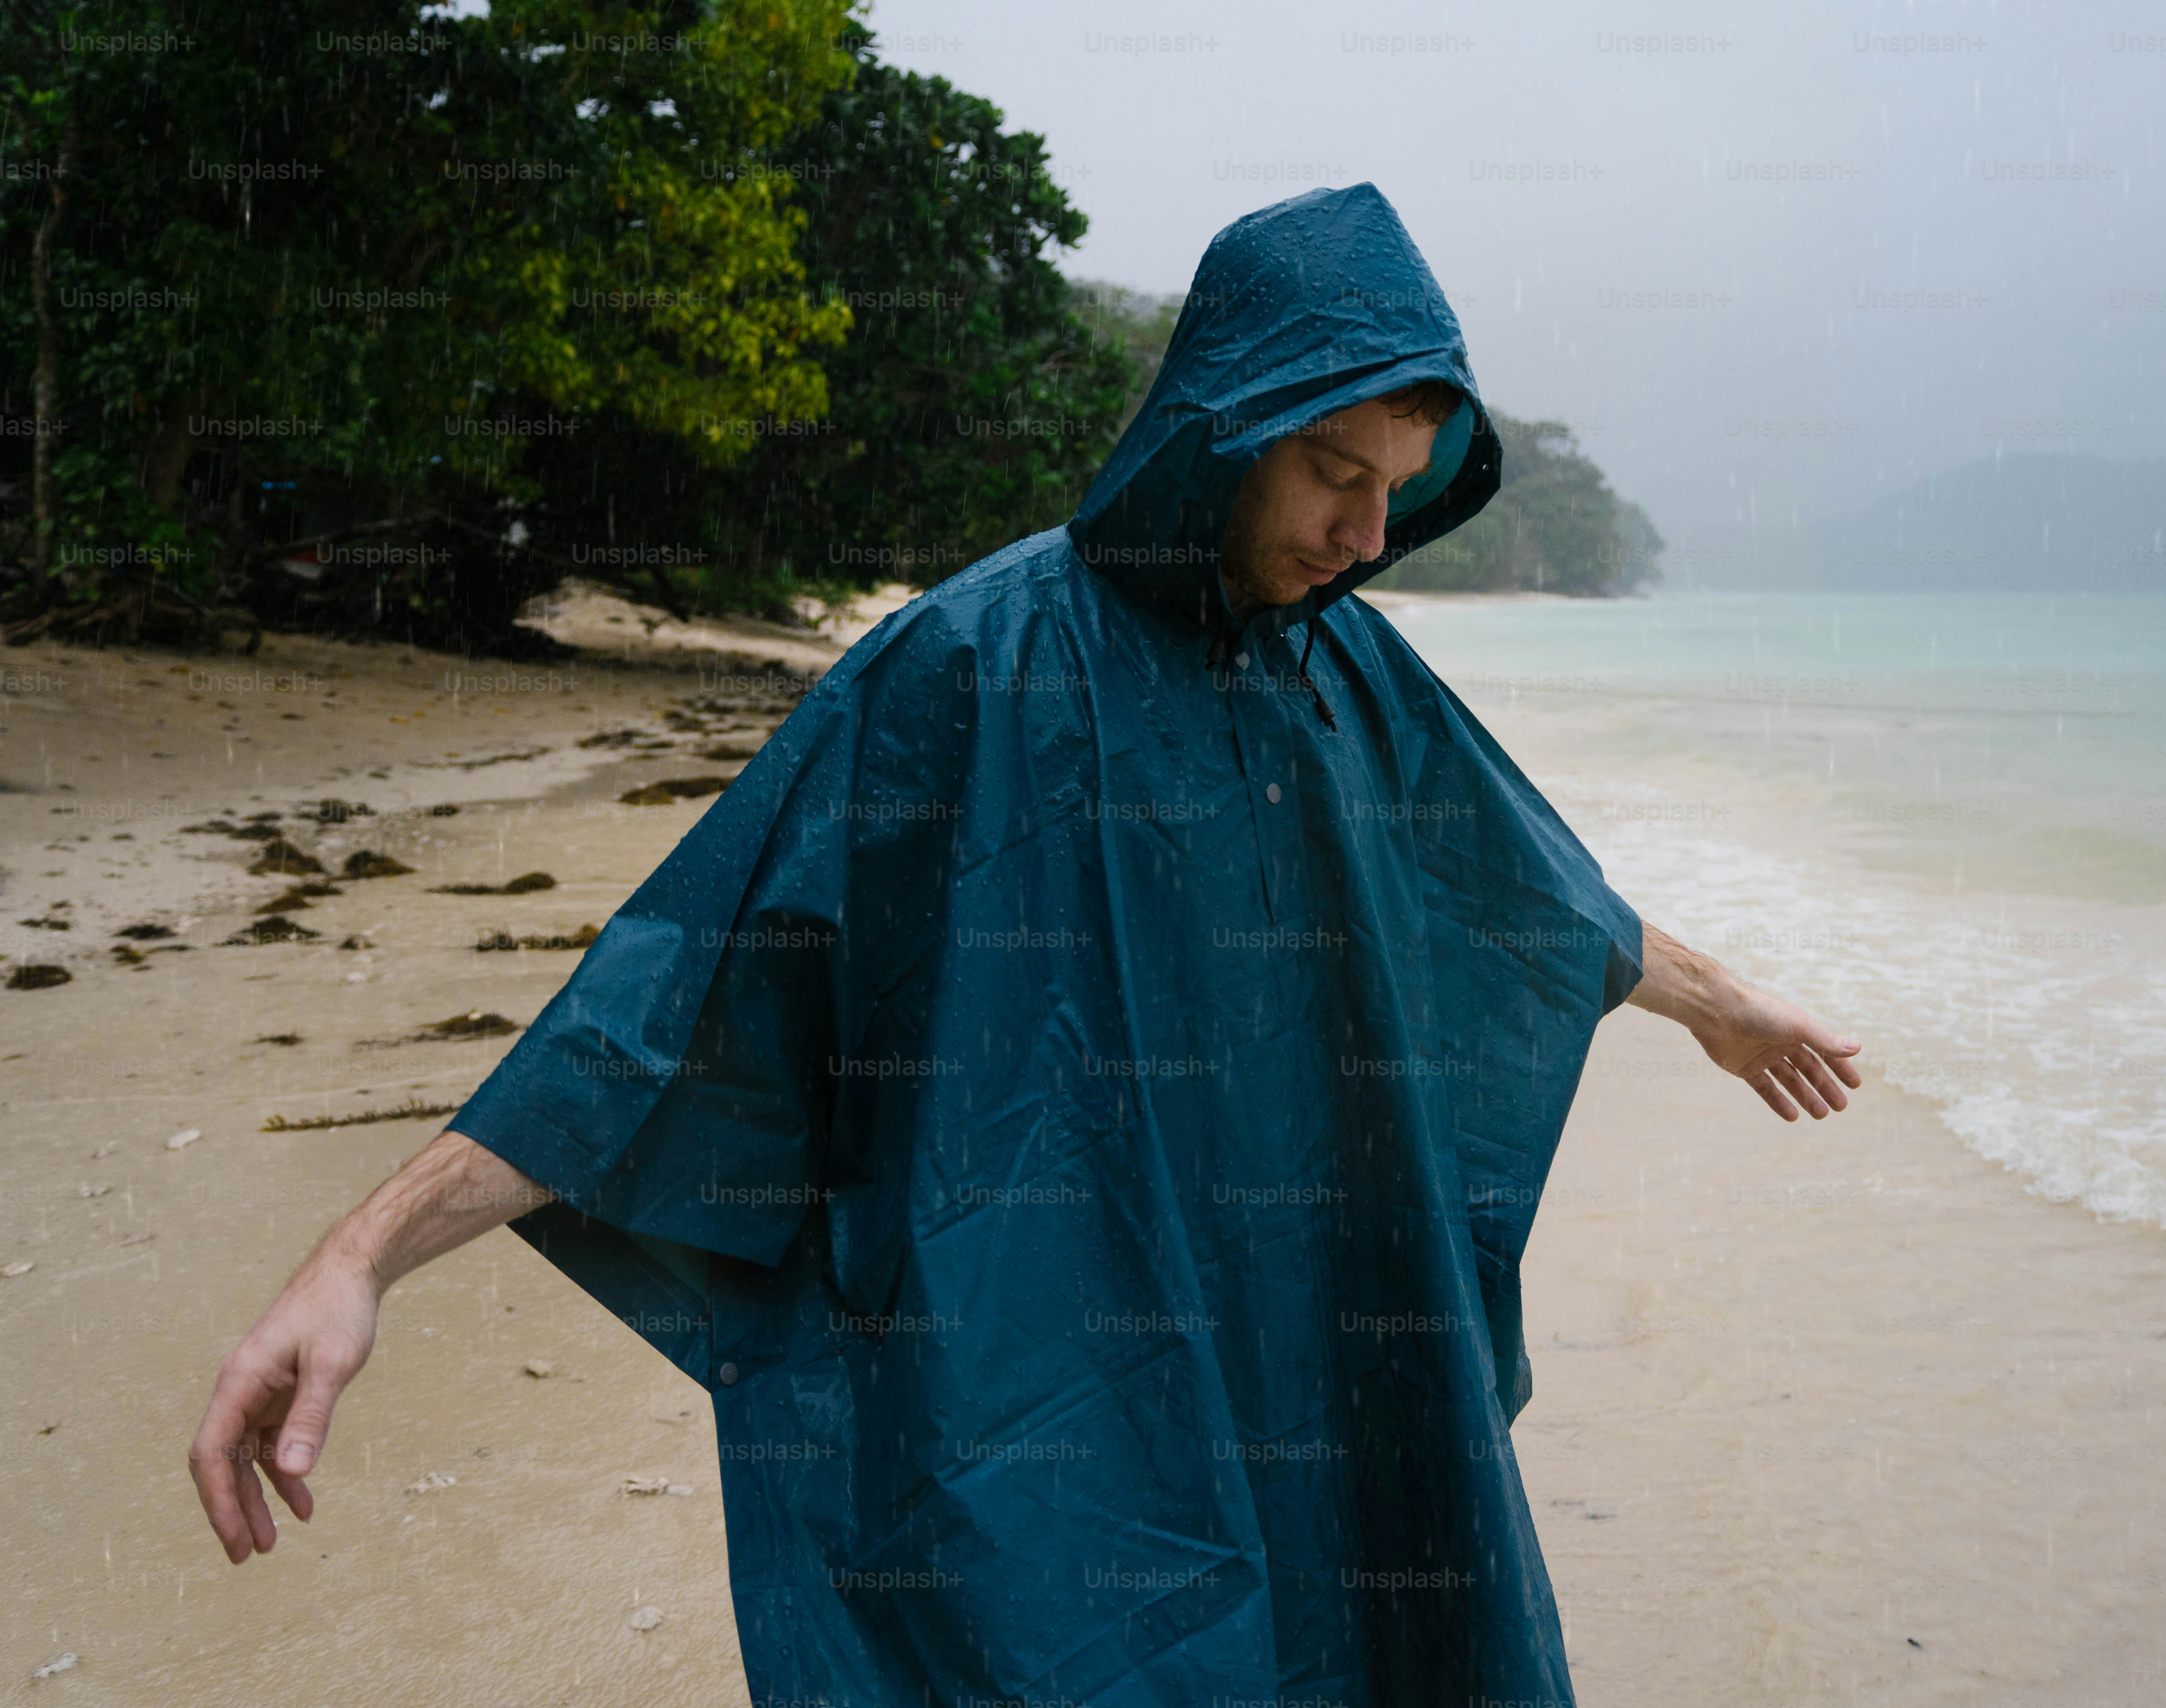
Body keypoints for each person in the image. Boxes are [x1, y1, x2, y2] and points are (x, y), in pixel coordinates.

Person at [189, 183, 1861, 1704]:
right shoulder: (963, 674)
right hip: (1043, 1367)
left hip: (1324, 1341)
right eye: (1334, 478)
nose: (1364, 540)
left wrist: (1720, 1006)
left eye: (1396, 494)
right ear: (1226, 431)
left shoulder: (1348, 679)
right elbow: (671, 1005)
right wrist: (363, 1256)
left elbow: (1524, 895)